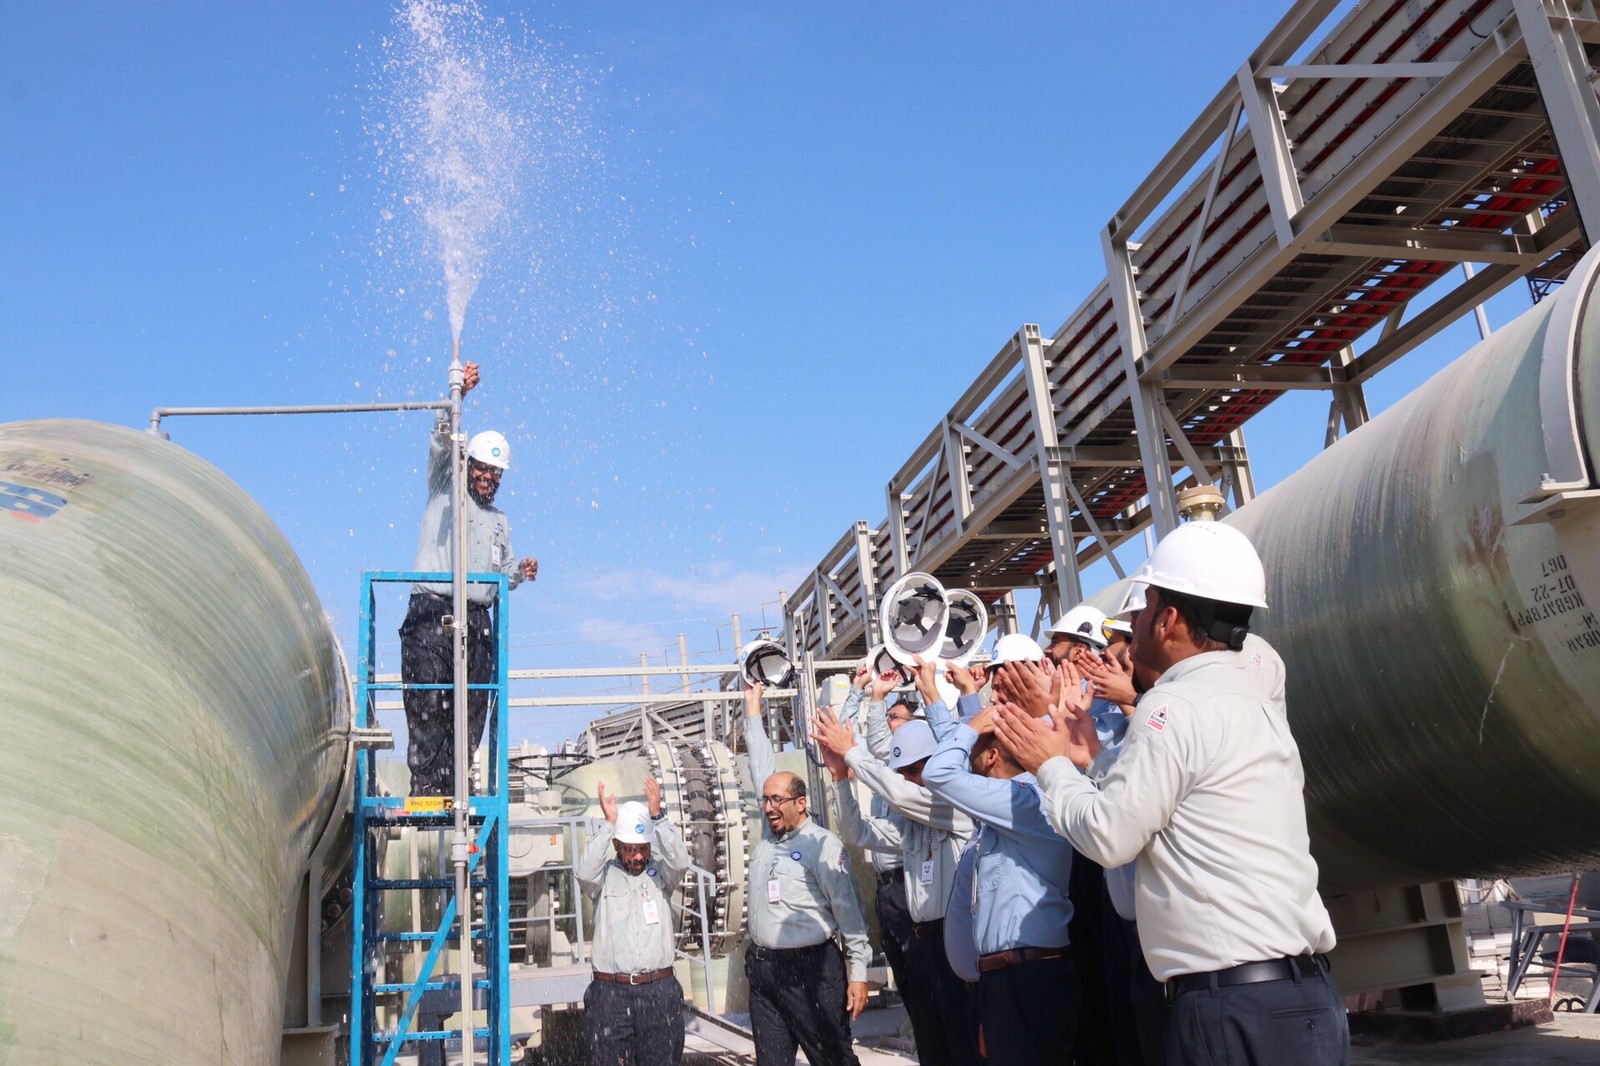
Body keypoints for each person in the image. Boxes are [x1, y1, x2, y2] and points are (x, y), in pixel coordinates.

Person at [993, 521, 1347, 1066]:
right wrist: (1098, 759)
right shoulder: (1254, 697)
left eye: (1142, 609)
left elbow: (1109, 837)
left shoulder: (1171, 707)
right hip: (1305, 999)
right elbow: (1185, 800)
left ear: (1171, 618)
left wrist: (1054, 765)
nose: (1132, 629)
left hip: (1228, 1006)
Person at [917, 657, 1080, 1066]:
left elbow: (941, 774)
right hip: (1007, 980)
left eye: (975, 749)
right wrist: (944, 702)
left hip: (1029, 980)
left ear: (989, 758)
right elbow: (961, 766)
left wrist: (971, 727)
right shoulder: (1003, 810)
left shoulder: (1024, 802)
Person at [813, 698, 979, 1066]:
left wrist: (853, 752)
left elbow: (902, 795)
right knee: (932, 1042)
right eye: (903, 771)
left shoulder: (954, 805)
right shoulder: (913, 821)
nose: (910, 779)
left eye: (917, 769)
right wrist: (841, 778)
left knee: (964, 1044)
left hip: (957, 940)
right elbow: (858, 832)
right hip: (921, 945)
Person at [399, 362, 539, 796]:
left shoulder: (500, 522)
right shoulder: (445, 487)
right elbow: (442, 441)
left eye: (494, 474)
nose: (486, 477)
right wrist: (457, 396)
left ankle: (457, 784)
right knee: (428, 698)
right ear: (468, 463)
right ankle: (428, 786)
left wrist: (519, 573)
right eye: (480, 468)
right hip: (432, 611)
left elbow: (501, 574)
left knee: (473, 704)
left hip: (477, 620)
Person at [741, 680, 871, 1066]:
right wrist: (752, 710)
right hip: (765, 972)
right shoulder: (769, 836)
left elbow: (849, 914)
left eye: (777, 800)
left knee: (832, 1059)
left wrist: (859, 971)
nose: (768, 807)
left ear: (801, 803)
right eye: (765, 800)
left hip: (812, 970)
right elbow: (761, 766)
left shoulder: (823, 845)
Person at [575, 776, 691, 1066]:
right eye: (630, 848)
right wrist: (609, 823)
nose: (638, 856)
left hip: (658, 991)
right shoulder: (605, 877)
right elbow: (584, 873)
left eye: (643, 848)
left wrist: (658, 817)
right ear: (617, 844)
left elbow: (680, 862)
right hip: (610, 995)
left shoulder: (661, 876)